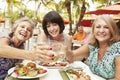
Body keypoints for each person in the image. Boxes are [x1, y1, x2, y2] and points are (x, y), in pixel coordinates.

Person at [66, 15, 120, 80]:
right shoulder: (92, 47)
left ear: (112, 30)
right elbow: (71, 56)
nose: (101, 30)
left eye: (106, 27)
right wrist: (65, 48)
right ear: (93, 30)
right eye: (98, 27)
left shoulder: (117, 49)